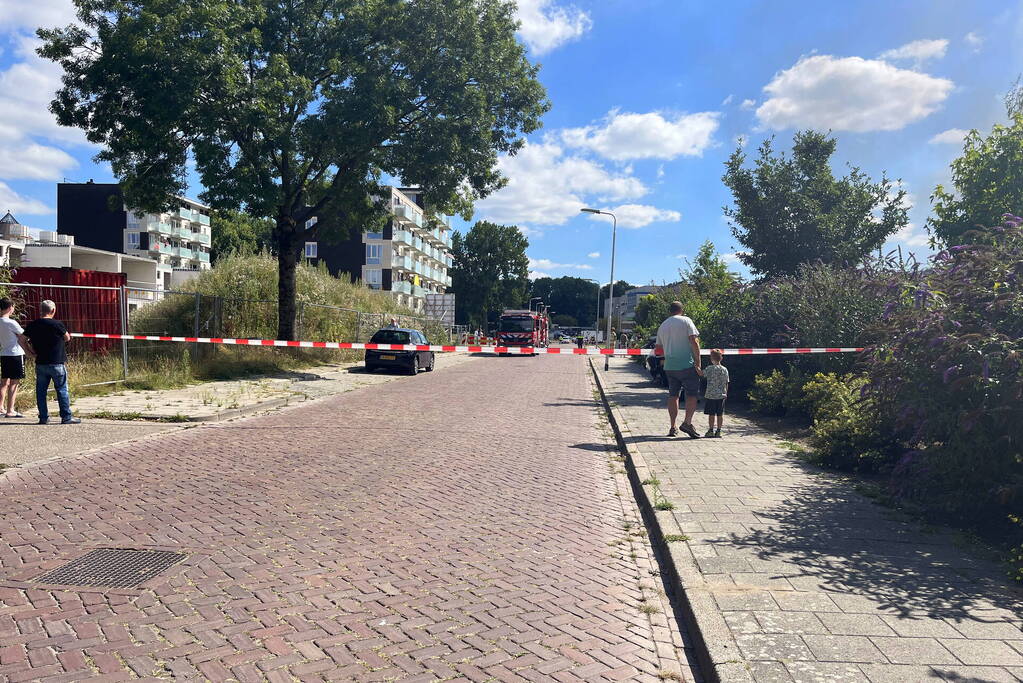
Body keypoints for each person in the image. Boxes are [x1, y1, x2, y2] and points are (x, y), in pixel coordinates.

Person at [22, 300, 80, 425]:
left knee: (41, 391)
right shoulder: (57, 324)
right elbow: (67, 337)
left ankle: (43, 417)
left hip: (41, 363)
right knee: (62, 390)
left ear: (40, 310)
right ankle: (66, 417)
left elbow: (21, 339)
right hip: (57, 362)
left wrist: (28, 351)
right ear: (53, 310)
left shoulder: (33, 324)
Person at [655, 301, 702, 438]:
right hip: (687, 364)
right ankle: (687, 423)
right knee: (692, 395)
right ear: (682, 310)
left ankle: (672, 426)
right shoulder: (686, 321)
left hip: (670, 366)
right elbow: (694, 341)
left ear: (670, 311)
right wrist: (698, 363)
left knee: (673, 395)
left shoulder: (663, 325)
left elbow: (658, 350)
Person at [0, 297, 26, 418]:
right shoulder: (11, 322)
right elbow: (23, 335)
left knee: (4, 381)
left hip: (4, 353)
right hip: (15, 354)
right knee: (14, 382)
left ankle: (1, 407)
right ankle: (10, 410)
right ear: (10, 308)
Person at [702, 349, 729, 437]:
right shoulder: (725, 369)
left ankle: (710, 430)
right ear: (721, 358)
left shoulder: (709, 368)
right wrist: (726, 393)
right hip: (721, 395)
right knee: (720, 414)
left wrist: (696, 367)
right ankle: (719, 431)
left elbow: (701, 374)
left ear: (711, 358)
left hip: (711, 395)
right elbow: (726, 382)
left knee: (711, 414)